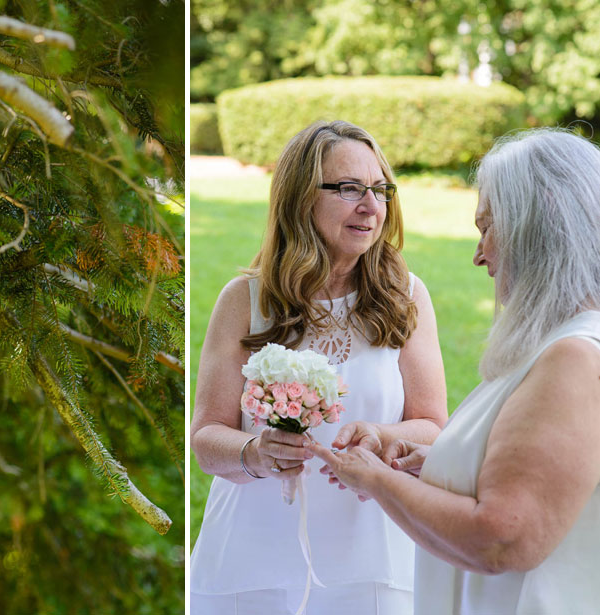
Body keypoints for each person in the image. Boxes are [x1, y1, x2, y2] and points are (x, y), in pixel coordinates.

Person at [313, 127, 600, 615]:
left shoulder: (574, 356)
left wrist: (375, 479)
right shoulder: (560, 344)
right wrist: (439, 462)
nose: (479, 254)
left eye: (487, 228)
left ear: (540, 223)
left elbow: (501, 540)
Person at [190, 120, 448, 614]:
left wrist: (381, 433)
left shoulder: (406, 297)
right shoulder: (244, 300)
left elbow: (435, 426)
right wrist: (256, 452)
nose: (371, 207)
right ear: (300, 198)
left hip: (370, 559)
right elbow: (206, 438)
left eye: (379, 189)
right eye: (349, 189)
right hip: (250, 561)